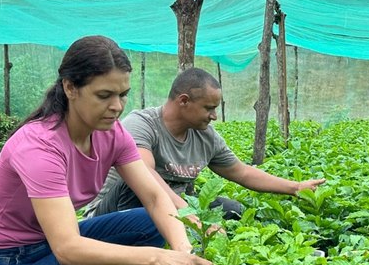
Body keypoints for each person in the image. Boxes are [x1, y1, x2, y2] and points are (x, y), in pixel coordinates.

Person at [0, 36, 217, 265]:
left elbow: (155, 196)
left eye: (123, 94)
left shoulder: (112, 133)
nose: (117, 106)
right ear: (70, 88)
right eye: (104, 95)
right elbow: (67, 247)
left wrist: (182, 250)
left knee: (149, 222)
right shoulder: (40, 146)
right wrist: (158, 258)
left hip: (46, 251)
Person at [85, 67, 324, 220]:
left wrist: (295, 187)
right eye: (209, 108)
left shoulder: (205, 135)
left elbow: (241, 172)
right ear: (184, 101)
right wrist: (187, 214)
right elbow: (144, 174)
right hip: (111, 215)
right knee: (138, 184)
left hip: (171, 212)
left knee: (230, 209)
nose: (213, 116)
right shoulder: (142, 124)